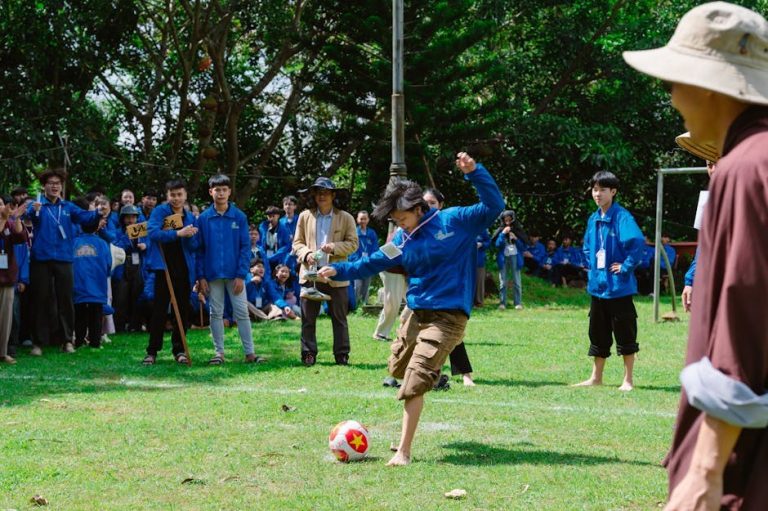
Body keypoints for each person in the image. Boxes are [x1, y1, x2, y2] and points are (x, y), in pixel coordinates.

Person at [624, 4, 768, 507]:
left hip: (741, 468)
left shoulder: (745, 168)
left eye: (673, 82)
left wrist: (706, 468)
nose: (673, 99)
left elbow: (745, 321)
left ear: (710, 85)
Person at [318, 152, 504, 466]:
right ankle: (432, 374)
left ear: (419, 208)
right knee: (398, 369)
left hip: (448, 317)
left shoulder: (455, 220)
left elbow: (493, 206)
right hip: (416, 313)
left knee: (415, 380)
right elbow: (373, 261)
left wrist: (475, 172)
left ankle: (404, 451)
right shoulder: (403, 239)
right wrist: (340, 270)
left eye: (402, 218)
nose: (399, 224)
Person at [572, 171, 643, 392]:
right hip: (598, 288)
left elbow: (638, 243)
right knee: (598, 332)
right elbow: (586, 246)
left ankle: (628, 380)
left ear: (613, 192)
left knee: (625, 332)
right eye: (595, 189)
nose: (598, 194)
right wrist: (592, 267)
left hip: (618, 288)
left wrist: (625, 266)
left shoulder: (622, 217)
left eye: (603, 189)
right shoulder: (594, 218)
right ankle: (596, 377)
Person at [26, 167, 109, 355]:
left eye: (58, 183)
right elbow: (26, 218)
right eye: (51, 183)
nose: (55, 187)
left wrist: (98, 213)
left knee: (66, 301)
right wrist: (33, 211)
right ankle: (38, 343)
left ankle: (66, 341)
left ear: (61, 187)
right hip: (41, 259)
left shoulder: (68, 207)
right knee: (40, 300)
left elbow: (85, 218)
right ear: (44, 186)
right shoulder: (37, 205)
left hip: (64, 259)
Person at [195, 174, 263, 365]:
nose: (221, 193)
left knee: (241, 312)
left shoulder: (239, 216)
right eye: (217, 190)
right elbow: (199, 250)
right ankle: (219, 354)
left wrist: (242, 274)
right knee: (215, 313)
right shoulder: (204, 219)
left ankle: (250, 353)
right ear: (211, 192)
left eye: (224, 189)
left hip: (235, 275)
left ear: (230, 192)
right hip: (212, 274)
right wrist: (200, 276)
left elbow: (244, 247)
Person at [292, 176, 358, 366]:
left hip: (335, 274)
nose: (322, 196)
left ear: (333, 195)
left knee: (339, 317)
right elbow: (297, 243)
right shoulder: (305, 216)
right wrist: (306, 254)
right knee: (308, 318)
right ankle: (308, 354)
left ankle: (342, 354)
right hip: (310, 273)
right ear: (314, 195)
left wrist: (334, 247)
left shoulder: (345, 217)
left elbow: (353, 244)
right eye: (318, 193)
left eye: (326, 193)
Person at [142, 178, 199, 365]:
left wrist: (190, 236)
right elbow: (153, 233)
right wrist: (177, 233)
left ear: (185, 196)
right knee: (159, 310)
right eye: (172, 195)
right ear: (167, 196)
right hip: (163, 267)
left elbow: (193, 246)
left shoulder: (190, 216)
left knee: (182, 310)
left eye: (179, 195)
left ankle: (179, 350)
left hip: (183, 269)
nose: (176, 198)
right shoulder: (160, 211)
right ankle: (152, 351)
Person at [72, 203, 112, 349]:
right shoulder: (102, 244)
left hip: (78, 286)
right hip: (97, 286)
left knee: (80, 314)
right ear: (97, 227)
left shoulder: (74, 242)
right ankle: (95, 342)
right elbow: (108, 264)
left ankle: (79, 340)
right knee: (96, 315)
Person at [0, 195, 27, 363]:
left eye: (2, 204)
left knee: (6, 318)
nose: (1, 207)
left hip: (7, 278)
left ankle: (2, 352)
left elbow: (21, 238)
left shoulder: (10, 223)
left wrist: (16, 218)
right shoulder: (4, 223)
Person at [112, 205, 147, 332]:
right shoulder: (117, 232)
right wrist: (127, 237)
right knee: (121, 296)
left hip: (139, 265)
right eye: (128, 217)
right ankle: (119, 326)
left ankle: (135, 325)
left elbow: (151, 243)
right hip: (123, 265)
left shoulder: (143, 230)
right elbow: (116, 247)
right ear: (122, 218)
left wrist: (145, 245)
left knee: (137, 294)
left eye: (133, 217)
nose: (131, 220)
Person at [493, 210, 526, 310]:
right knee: (503, 281)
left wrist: (515, 238)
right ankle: (502, 303)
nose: (507, 221)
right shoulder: (501, 229)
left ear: (513, 219)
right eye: (505, 219)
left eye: (509, 219)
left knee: (517, 281)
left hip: (515, 256)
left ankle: (518, 303)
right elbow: (497, 245)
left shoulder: (518, 229)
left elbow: (522, 247)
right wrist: (503, 233)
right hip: (504, 257)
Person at [350, 210, 379, 306]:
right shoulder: (353, 233)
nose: (363, 221)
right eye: (361, 219)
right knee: (357, 286)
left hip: (368, 263)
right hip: (357, 263)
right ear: (357, 220)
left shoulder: (372, 233)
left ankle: (364, 305)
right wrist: (357, 261)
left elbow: (375, 248)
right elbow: (350, 249)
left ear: (368, 220)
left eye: (365, 219)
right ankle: (355, 305)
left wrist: (371, 260)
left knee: (366, 285)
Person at [259, 205, 292, 272]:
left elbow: (286, 245)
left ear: (278, 216)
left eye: (273, 216)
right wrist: (263, 255)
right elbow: (259, 242)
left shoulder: (284, 229)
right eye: (269, 216)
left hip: (278, 259)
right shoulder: (262, 227)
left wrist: (273, 257)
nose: (271, 218)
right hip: (264, 258)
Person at [474, 229, 490, 306]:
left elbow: (488, 242)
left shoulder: (483, 229)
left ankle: (479, 302)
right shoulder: (466, 226)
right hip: (466, 261)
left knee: (479, 281)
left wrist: (482, 244)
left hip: (479, 260)